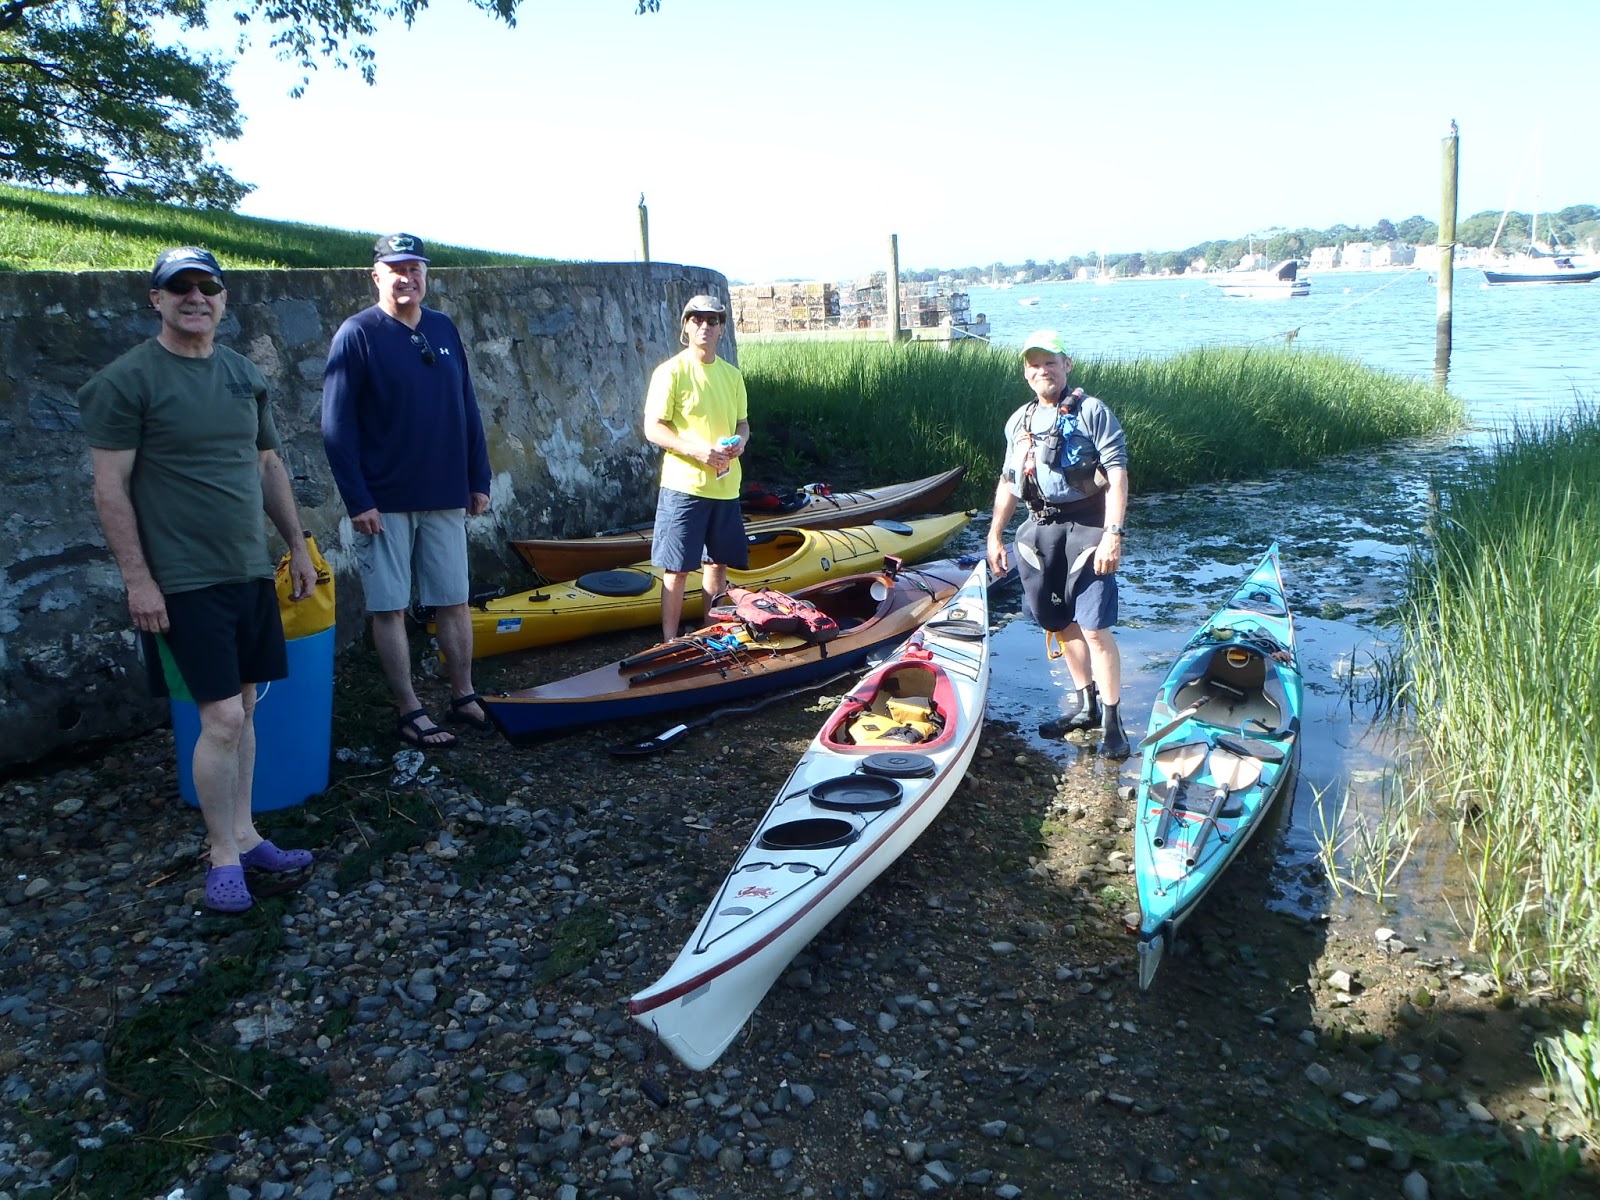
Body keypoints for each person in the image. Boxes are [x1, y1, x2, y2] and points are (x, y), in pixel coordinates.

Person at [80, 246, 319, 913]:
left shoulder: (243, 376)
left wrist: (296, 548)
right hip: (183, 580)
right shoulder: (127, 381)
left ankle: (247, 836)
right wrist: (139, 581)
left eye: (206, 286)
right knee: (217, 719)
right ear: (154, 298)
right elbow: (110, 487)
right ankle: (220, 855)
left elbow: (268, 466)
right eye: (178, 286)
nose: (195, 297)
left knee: (244, 710)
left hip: (246, 567)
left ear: (222, 298)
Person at [322, 233, 493, 749]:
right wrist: (358, 499)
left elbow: (467, 405)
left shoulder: (442, 327)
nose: (407, 277)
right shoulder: (357, 334)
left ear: (425, 275)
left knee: (454, 600)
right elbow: (336, 425)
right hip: (385, 501)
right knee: (390, 606)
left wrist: (477, 477)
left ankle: (463, 695)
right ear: (376, 276)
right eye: (396, 269)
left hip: (443, 492)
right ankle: (409, 709)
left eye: (415, 268)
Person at [986, 330, 1131, 759]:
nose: (1042, 370)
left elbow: (1118, 477)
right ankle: (1084, 705)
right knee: (1058, 621)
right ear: (1025, 372)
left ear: (1066, 365)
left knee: (1095, 628)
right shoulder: (1019, 421)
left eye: (1050, 361)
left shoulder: (1092, 412)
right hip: (1040, 529)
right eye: (1034, 364)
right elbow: (1009, 482)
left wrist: (1113, 534)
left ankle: (1113, 721)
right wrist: (995, 534)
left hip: (1088, 529)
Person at [643, 294, 751, 642]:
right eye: (698, 319)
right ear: (686, 326)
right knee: (676, 569)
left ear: (722, 327)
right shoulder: (670, 372)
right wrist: (697, 452)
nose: (705, 326)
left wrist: (740, 443)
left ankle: (711, 631)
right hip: (683, 487)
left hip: (725, 486)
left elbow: (743, 423)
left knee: (717, 565)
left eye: (713, 320)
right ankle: (669, 639)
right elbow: (653, 428)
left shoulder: (732, 375)